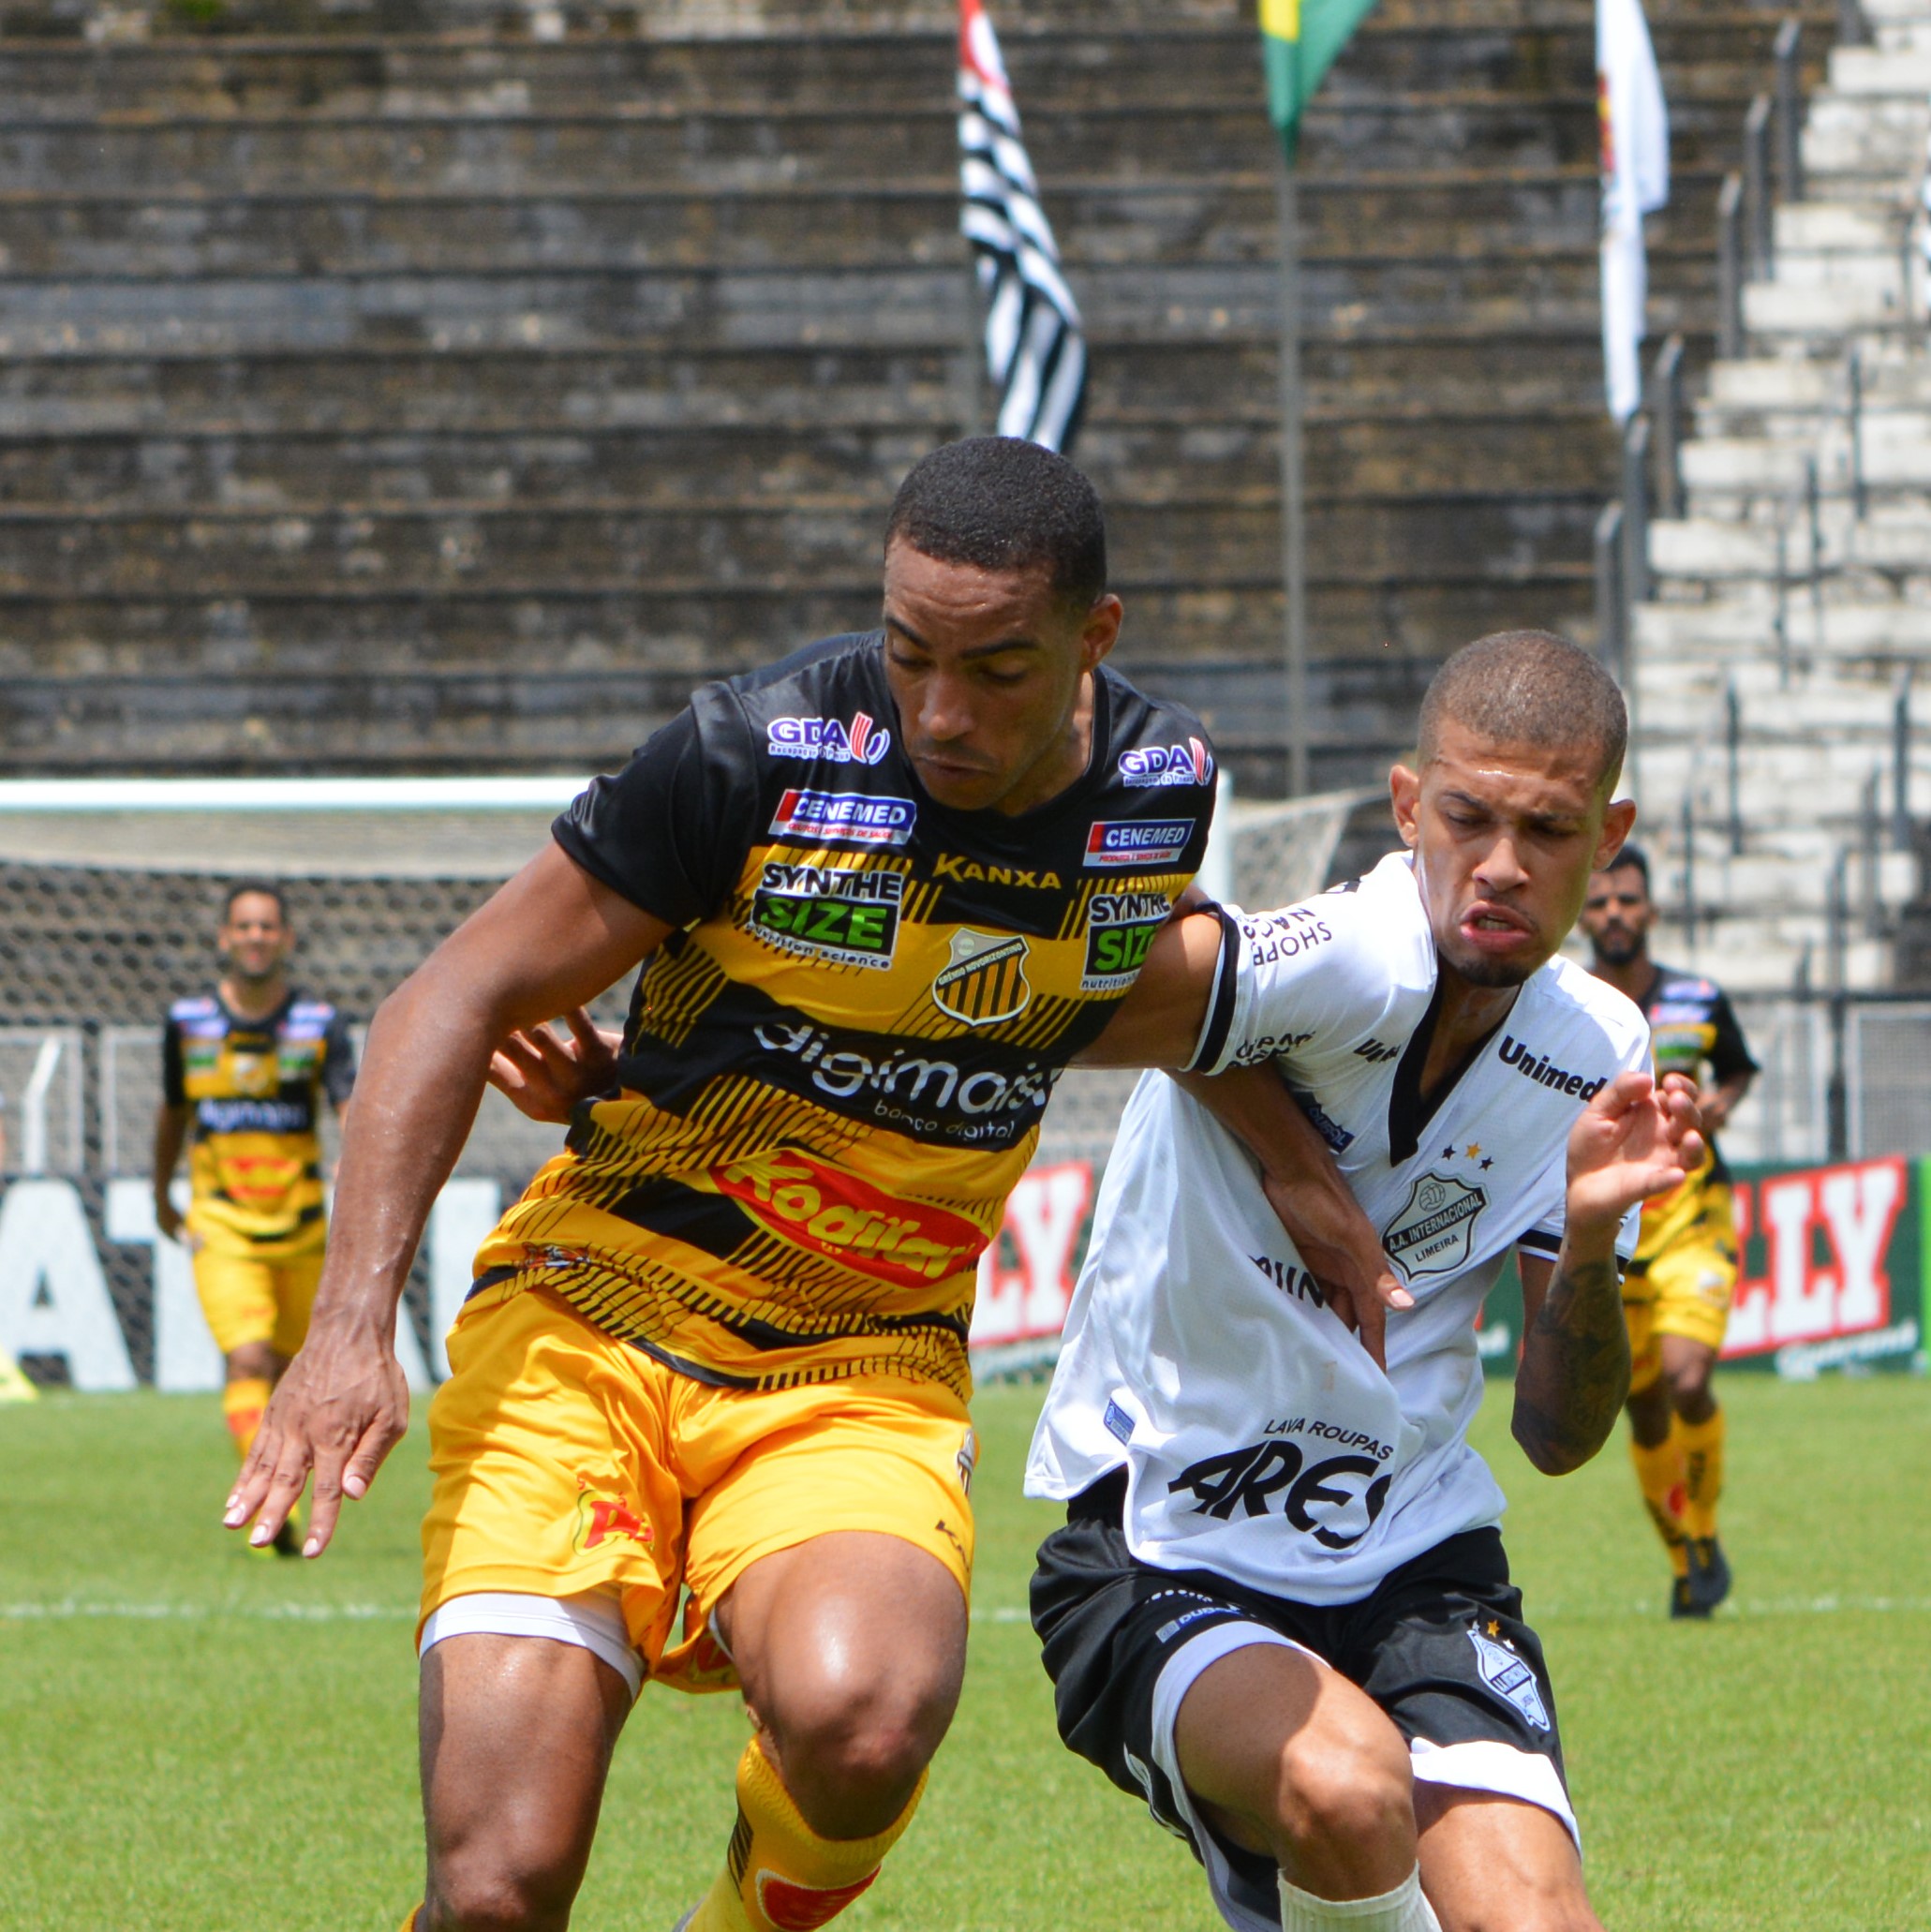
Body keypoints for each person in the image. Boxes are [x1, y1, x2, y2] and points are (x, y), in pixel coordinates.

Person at [219, 438, 1389, 1932]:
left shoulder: (1159, 788)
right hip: (594, 1317)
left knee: (865, 1718)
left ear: (1095, 636)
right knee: (500, 1885)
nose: (942, 711)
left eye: (998, 669)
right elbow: (447, 996)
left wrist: (1297, 1165)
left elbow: (1117, 985)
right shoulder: (755, 754)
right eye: (909, 655)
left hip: (862, 1360)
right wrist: (346, 1326)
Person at [1025, 631, 1703, 1932]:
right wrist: (1294, 1163)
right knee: (1343, 1790)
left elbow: (1558, 1438)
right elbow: (1082, 994)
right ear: (1406, 807)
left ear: (1609, 834)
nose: (1501, 865)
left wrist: (1590, 1235)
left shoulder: (1599, 1043)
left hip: (1417, 1558)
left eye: (1547, 830)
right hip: (1168, 1539)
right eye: (1467, 818)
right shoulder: (1346, 953)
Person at [1580, 844, 1756, 1618]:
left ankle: (1705, 1532)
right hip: (1615, 1232)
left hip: (1692, 1217)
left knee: (1687, 1380)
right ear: (1582, 916)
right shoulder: (1563, 1003)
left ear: (1650, 909)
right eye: (1599, 903)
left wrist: (1722, 1103)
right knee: (1643, 1406)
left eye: (1626, 900)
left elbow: (1738, 1068)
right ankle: (1684, 1561)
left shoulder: (1698, 996)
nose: (1614, 913)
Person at [153, 881, 355, 1552]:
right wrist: (160, 1194)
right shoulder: (188, 1023)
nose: (256, 937)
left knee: (290, 1372)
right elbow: (172, 1113)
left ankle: (280, 1488)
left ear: (286, 938)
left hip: (301, 1224)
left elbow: (348, 1108)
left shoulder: (319, 1025)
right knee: (247, 1359)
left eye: (268, 926)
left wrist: (356, 1165)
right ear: (224, 937)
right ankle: (272, 1504)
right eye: (244, 926)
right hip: (221, 1223)